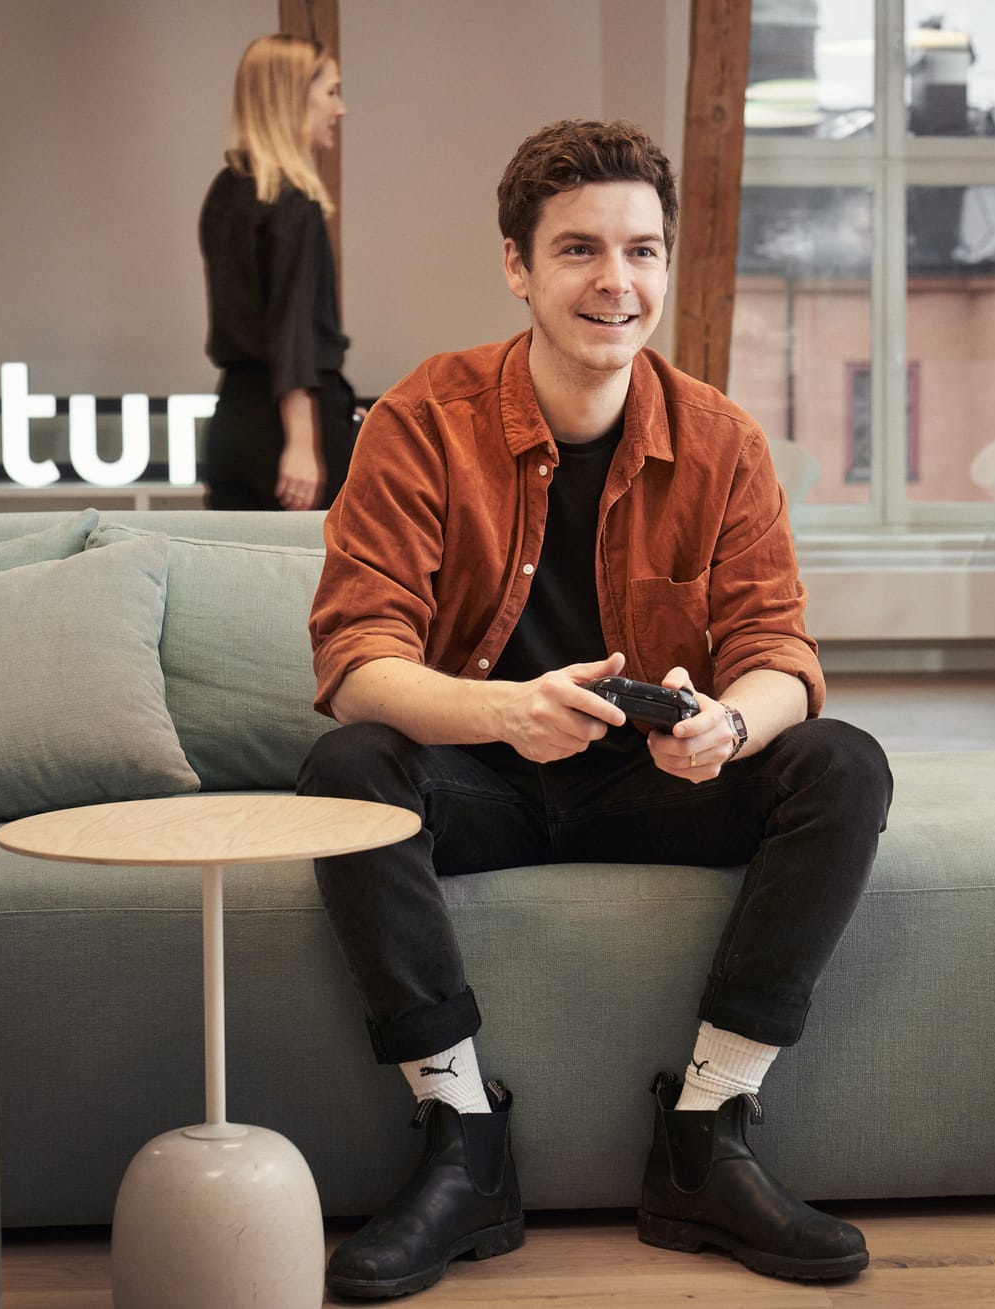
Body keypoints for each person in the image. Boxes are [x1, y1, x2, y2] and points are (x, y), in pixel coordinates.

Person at [299, 118, 892, 1301]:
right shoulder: (425, 417)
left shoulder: (720, 439)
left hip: (647, 784)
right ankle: (462, 1143)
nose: (616, 283)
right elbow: (358, 657)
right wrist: (505, 712)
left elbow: (778, 649)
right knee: (348, 767)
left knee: (841, 760)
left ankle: (708, 1134)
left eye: (642, 251)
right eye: (578, 250)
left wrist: (731, 722)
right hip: (485, 777)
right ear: (517, 266)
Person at [198, 32, 356, 511]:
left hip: (233, 422)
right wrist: (306, 442)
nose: (340, 109)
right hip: (288, 433)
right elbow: (291, 334)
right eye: (330, 92)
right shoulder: (293, 204)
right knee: (316, 583)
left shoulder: (225, 190)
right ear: (292, 99)